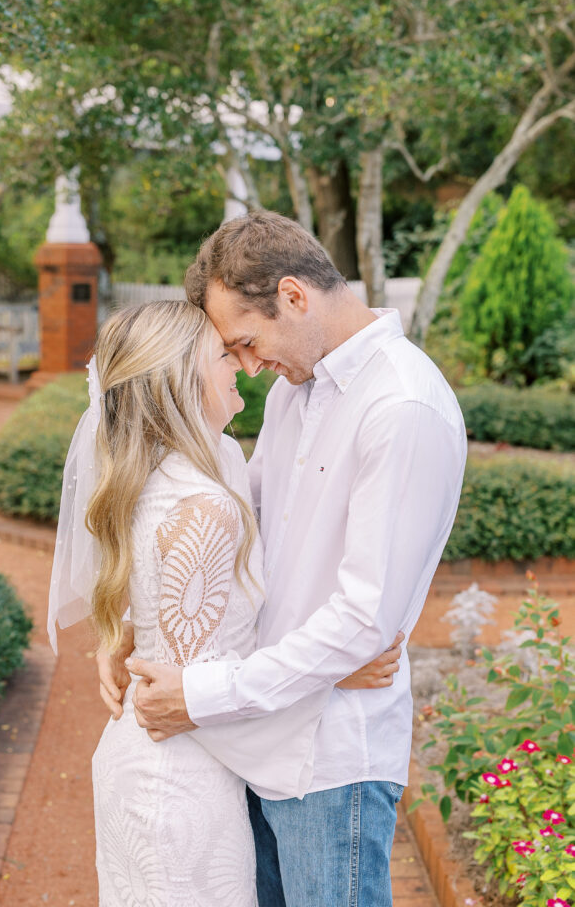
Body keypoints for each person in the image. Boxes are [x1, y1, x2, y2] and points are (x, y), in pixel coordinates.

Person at [101, 210, 467, 907]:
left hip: (329, 758)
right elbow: (241, 528)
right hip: (258, 735)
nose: (245, 363)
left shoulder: (401, 406)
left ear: (293, 296)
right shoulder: (296, 393)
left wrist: (200, 697)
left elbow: (365, 618)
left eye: (246, 340)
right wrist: (132, 626)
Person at [48, 298, 402, 907]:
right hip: (175, 785)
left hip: (183, 768)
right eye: (223, 354)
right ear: (183, 381)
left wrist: (129, 630)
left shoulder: (215, 462)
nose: (241, 362)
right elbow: (190, 696)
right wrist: (336, 674)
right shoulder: (202, 506)